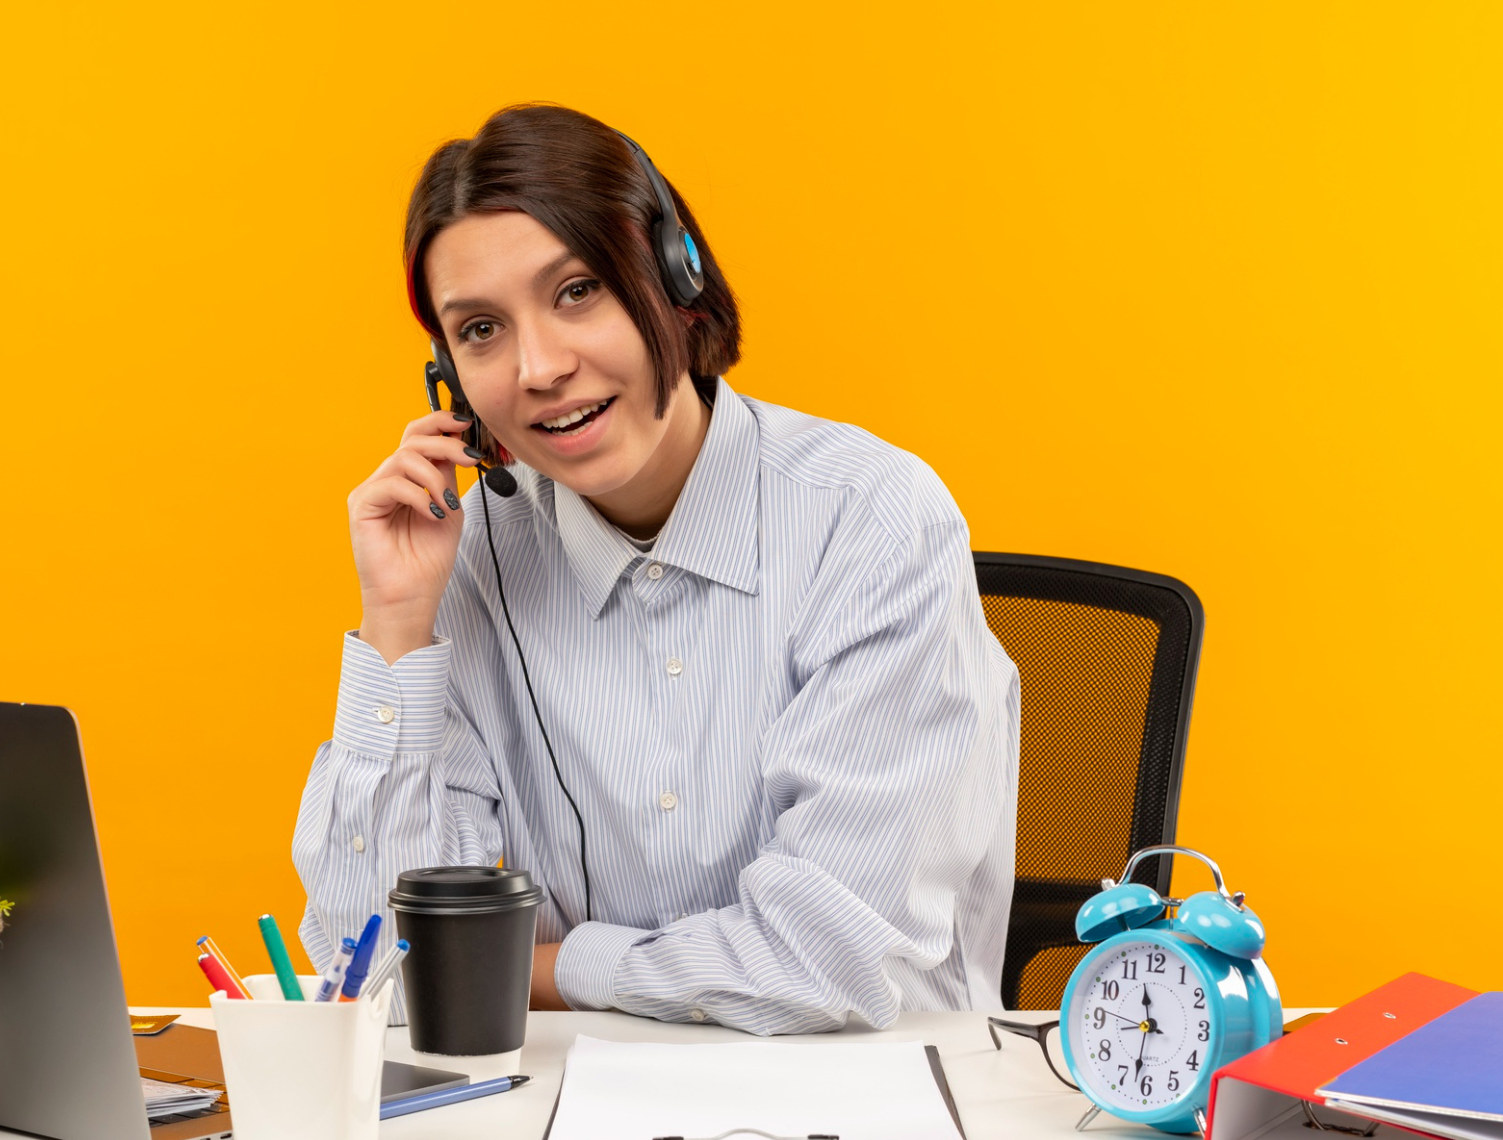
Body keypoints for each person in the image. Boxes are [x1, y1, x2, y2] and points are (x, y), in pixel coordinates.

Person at [293, 103, 1019, 1035]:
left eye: (578, 290)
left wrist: (542, 968)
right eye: (480, 329)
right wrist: (395, 624)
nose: (539, 367)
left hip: (860, 1093)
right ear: (448, 378)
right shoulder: (466, 563)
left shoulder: (869, 519)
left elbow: (829, 959)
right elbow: (375, 961)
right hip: (561, 1102)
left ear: (675, 278)